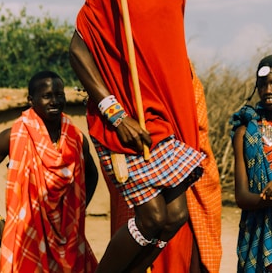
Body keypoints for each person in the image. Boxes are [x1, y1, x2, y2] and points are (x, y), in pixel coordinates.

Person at [69, 0, 211, 273]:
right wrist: (116, 113)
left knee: (175, 217)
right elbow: (78, 49)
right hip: (121, 116)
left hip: (164, 120)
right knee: (150, 218)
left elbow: (165, 63)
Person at [104, 62, 222, 272]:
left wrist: (177, 156)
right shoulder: (127, 68)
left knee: (179, 248)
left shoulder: (185, 72)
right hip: (141, 172)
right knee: (142, 233)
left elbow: (197, 130)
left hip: (185, 178)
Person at [0, 70, 98, 272]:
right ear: (30, 100)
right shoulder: (14, 136)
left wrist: (77, 212)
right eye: (47, 96)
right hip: (27, 228)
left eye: (59, 95)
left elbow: (92, 174)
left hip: (68, 232)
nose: (55, 101)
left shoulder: (76, 139)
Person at [230, 55, 272, 272]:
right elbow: (242, 196)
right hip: (257, 230)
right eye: (262, 84)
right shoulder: (245, 134)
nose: (267, 90)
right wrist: (267, 197)